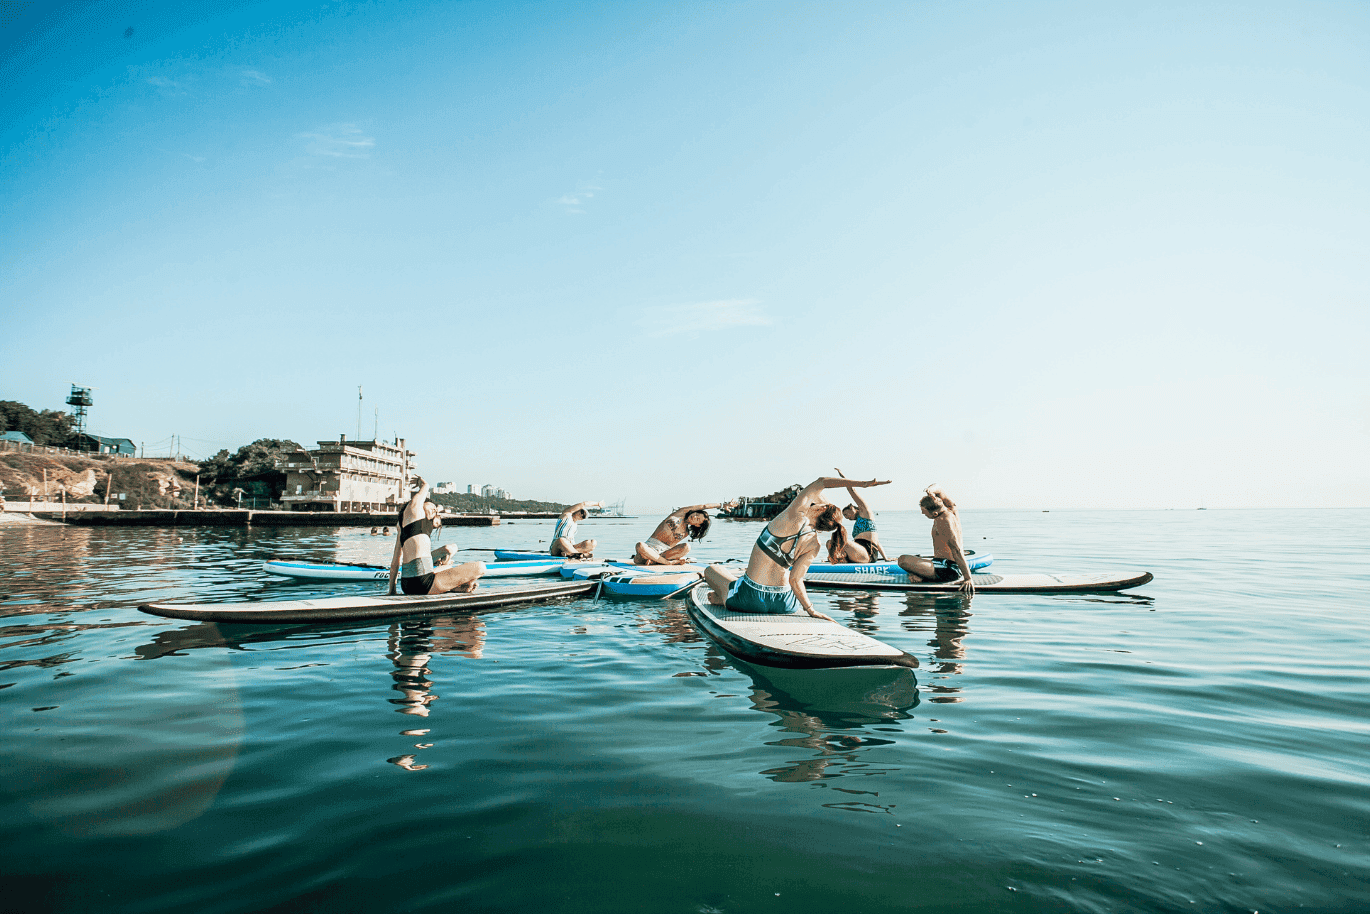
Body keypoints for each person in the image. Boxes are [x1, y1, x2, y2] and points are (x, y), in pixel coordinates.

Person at [703, 476, 891, 619]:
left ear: (820, 508)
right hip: (785, 603)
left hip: (752, 597)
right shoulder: (815, 544)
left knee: (712, 570)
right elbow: (795, 580)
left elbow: (822, 482)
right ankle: (724, 596)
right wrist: (810, 610)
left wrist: (862, 484)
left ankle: (725, 596)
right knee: (733, 586)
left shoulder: (794, 515)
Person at [388, 477, 485, 596]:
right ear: (422, 505)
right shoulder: (413, 511)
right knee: (480, 567)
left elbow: (395, 562)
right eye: (431, 506)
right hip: (423, 584)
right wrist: (425, 485)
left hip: (407, 585)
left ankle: (458, 587)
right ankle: (458, 587)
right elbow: (418, 499)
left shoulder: (403, 528)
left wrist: (392, 591)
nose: (434, 509)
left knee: (448, 566)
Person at [896, 484, 975, 595]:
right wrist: (930, 491)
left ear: (935, 513)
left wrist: (968, 578)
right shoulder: (952, 509)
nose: (923, 514)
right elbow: (939, 488)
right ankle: (921, 576)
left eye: (924, 513)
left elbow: (956, 549)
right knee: (912, 559)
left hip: (948, 569)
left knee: (902, 560)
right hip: (940, 564)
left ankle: (923, 577)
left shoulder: (943, 521)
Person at [633, 502, 735, 565]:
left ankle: (656, 560)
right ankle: (666, 563)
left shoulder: (686, 533)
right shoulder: (680, 513)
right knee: (640, 545)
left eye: (698, 519)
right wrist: (722, 505)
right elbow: (704, 506)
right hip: (649, 548)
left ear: (698, 525)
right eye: (696, 514)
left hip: (663, 553)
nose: (694, 516)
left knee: (687, 547)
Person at [836, 467, 887, 561]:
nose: (847, 518)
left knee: (843, 541)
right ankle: (841, 561)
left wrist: (843, 477)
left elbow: (853, 491)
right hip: (857, 553)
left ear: (852, 508)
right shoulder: (859, 522)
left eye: (847, 514)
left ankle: (842, 561)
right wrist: (886, 558)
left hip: (868, 553)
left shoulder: (866, 513)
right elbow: (878, 542)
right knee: (830, 542)